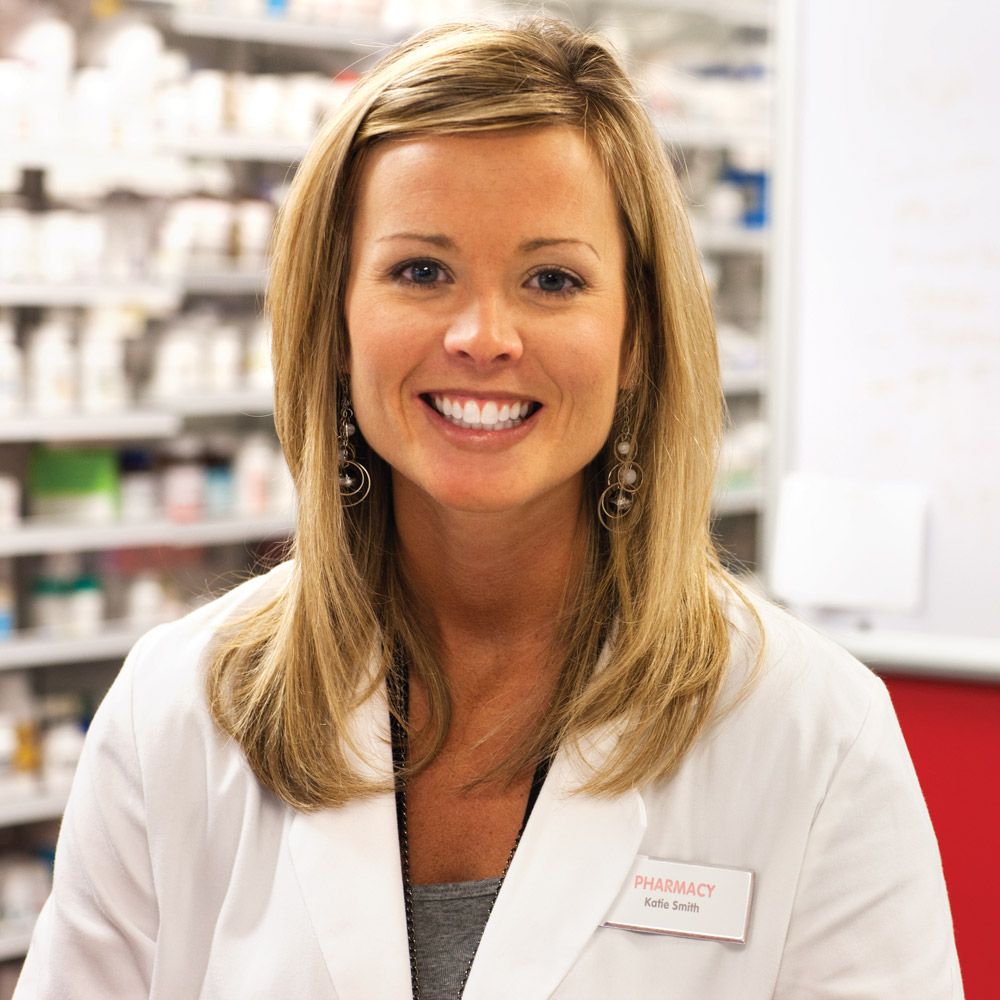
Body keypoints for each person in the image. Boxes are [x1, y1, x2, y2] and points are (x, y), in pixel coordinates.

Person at [15, 17, 962, 1000]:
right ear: (336, 318)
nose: (483, 336)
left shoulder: (810, 731)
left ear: (637, 334)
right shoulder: (175, 708)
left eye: (552, 279)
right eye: (420, 271)